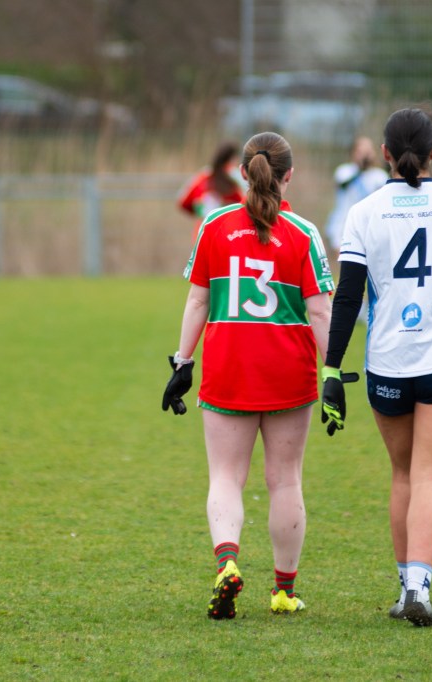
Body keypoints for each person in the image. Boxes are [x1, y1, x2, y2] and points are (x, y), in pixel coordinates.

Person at [320, 107, 432, 627]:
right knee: (430, 476)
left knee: (403, 474)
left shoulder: (364, 212)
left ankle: (405, 591)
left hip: (388, 363)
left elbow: (347, 297)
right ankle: (420, 587)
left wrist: (331, 370)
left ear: (384, 154)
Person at [162, 131, 336, 621]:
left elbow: (198, 300)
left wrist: (182, 362)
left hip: (228, 367)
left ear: (242, 173)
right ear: (289, 175)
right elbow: (320, 312)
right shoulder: (304, 233)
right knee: (285, 481)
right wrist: (334, 374)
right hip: (288, 372)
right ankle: (283, 591)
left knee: (226, 477)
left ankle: (227, 564)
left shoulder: (213, 226)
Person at [324, 136, 389, 256]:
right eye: (360, 151)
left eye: (368, 151)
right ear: (353, 153)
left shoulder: (379, 176)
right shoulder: (344, 171)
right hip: (343, 226)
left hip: (370, 228)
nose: (364, 155)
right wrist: (360, 169)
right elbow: (342, 184)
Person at [176, 141, 247, 243]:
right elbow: (246, 207)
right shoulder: (235, 178)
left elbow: (183, 202)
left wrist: (200, 212)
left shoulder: (203, 177)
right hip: (228, 238)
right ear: (233, 158)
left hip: (202, 236)